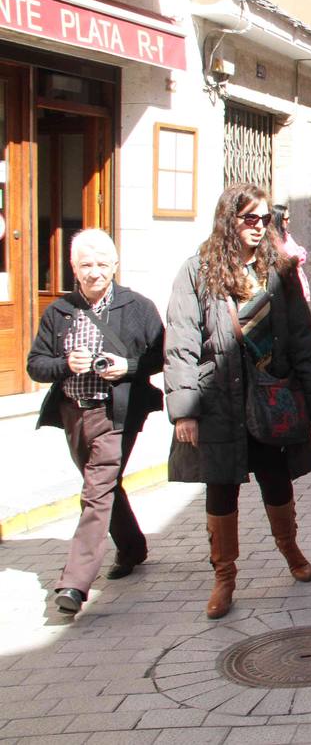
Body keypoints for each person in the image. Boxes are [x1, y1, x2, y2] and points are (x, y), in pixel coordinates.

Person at [165, 185, 311, 620]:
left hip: (270, 400)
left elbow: (302, 338)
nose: (259, 227)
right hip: (219, 403)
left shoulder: (279, 271)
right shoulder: (198, 272)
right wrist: (184, 411)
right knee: (220, 490)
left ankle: (291, 550)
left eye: (264, 219)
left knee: (277, 482)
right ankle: (224, 577)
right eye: (249, 219)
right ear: (229, 220)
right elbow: (181, 343)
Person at [26, 230, 164, 615]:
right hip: (74, 412)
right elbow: (36, 365)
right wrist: (64, 364)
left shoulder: (138, 307)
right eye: (86, 264)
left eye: (102, 264)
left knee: (96, 490)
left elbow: (161, 356)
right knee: (104, 485)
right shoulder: (59, 312)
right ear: (73, 267)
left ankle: (74, 583)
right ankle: (133, 547)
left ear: (115, 265)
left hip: (117, 413)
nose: (94, 272)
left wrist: (128, 367)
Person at [272, 204, 311, 302]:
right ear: (278, 219)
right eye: (286, 219)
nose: (288, 221)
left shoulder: (286, 236)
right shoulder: (273, 240)